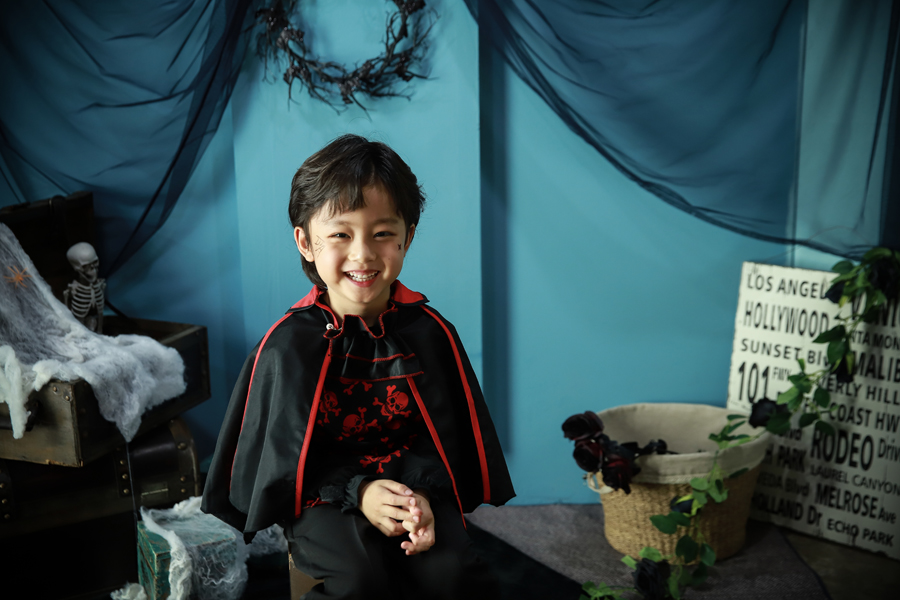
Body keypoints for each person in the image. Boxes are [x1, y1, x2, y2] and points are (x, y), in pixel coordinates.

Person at [201, 134, 515, 599]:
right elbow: (289, 459)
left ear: (408, 237)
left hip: (414, 485)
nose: (363, 254)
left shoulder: (431, 333)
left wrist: (418, 498)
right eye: (340, 234)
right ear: (306, 243)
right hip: (323, 495)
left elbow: (443, 438)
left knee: (452, 574)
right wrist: (361, 491)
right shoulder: (286, 347)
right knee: (362, 579)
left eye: (383, 233)